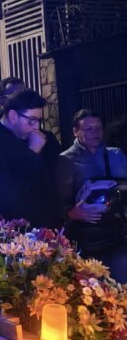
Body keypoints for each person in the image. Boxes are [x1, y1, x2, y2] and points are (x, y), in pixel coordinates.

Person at [55, 110, 127, 282]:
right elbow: (57, 200)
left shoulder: (116, 154)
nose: (95, 133)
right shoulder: (66, 160)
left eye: (98, 128)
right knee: (94, 288)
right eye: (89, 129)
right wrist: (72, 213)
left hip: (118, 231)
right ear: (75, 131)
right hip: (87, 237)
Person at [0, 89, 58, 226]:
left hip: (43, 223)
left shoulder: (39, 138)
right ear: (13, 116)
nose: (37, 127)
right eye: (32, 120)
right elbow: (9, 192)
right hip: (11, 229)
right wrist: (33, 152)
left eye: (39, 121)